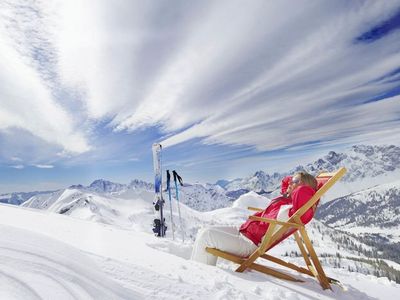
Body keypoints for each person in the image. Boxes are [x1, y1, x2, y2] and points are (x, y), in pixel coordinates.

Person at [190, 171, 318, 265]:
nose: (290, 183)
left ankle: (200, 276)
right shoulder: (286, 200)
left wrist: (300, 187)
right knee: (203, 230)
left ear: (304, 187)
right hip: (244, 231)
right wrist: (294, 182)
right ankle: (200, 270)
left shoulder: (296, 210)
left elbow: (302, 195)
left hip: (250, 243)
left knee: (207, 236)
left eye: (295, 182)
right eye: (292, 180)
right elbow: (286, 182)